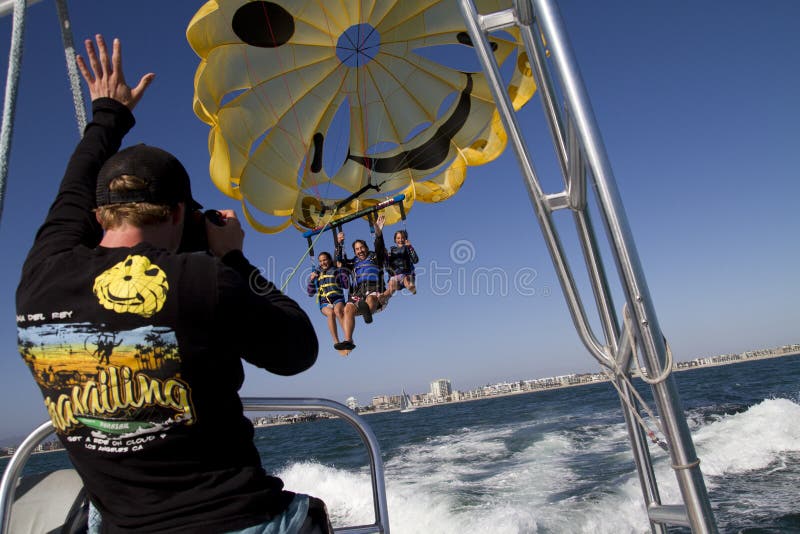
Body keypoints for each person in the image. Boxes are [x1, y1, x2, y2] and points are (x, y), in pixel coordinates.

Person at [15, 35, 332, 533]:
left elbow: (72, 189)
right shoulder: (203, 280)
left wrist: (107, 113)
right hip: (234, 521)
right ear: (182, 213)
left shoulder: (40, 275)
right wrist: (235, 259)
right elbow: (298, 349)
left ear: (97, 215)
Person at [335, 215, 389, 332]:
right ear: (354, 252)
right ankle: (348, 340)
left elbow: (379, 246)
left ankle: (368, 312)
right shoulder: (352, 262)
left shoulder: (375, 256)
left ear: (366, 247)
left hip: (375, 290)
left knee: (370, 299)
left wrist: (378, 233)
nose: (360, 251)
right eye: (357, 249)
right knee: (347, 309)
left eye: (362, 248)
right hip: (359, 291)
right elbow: (339, 261)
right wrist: (339, 243)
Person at [307, 251, 354, 353]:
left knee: (338, 310)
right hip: (324, 302)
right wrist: (311, 280)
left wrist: (341, 270)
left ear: (329, 260)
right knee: (331, 313)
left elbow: (345, 285)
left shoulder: (336, 270)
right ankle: (336, 342)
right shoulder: (317, 273)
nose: (323, 263)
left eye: (325, 260)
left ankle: (347, 339)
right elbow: (310, 293)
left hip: (337, 299)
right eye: (320, 261)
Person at [384, 229, 419, 296]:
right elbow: (388, 268)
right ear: (395, 240)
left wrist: (410, 247)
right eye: (398, 238)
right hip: (396, 277)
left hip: (407, 274)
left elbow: (415, 260)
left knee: (406, 279)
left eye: (403, 238)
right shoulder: (391, 252)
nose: (400, 240)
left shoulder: (408, 249)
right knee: (391, 284)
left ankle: (411, 287)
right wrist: (386, 257)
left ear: (406, 239)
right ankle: (384, 297)